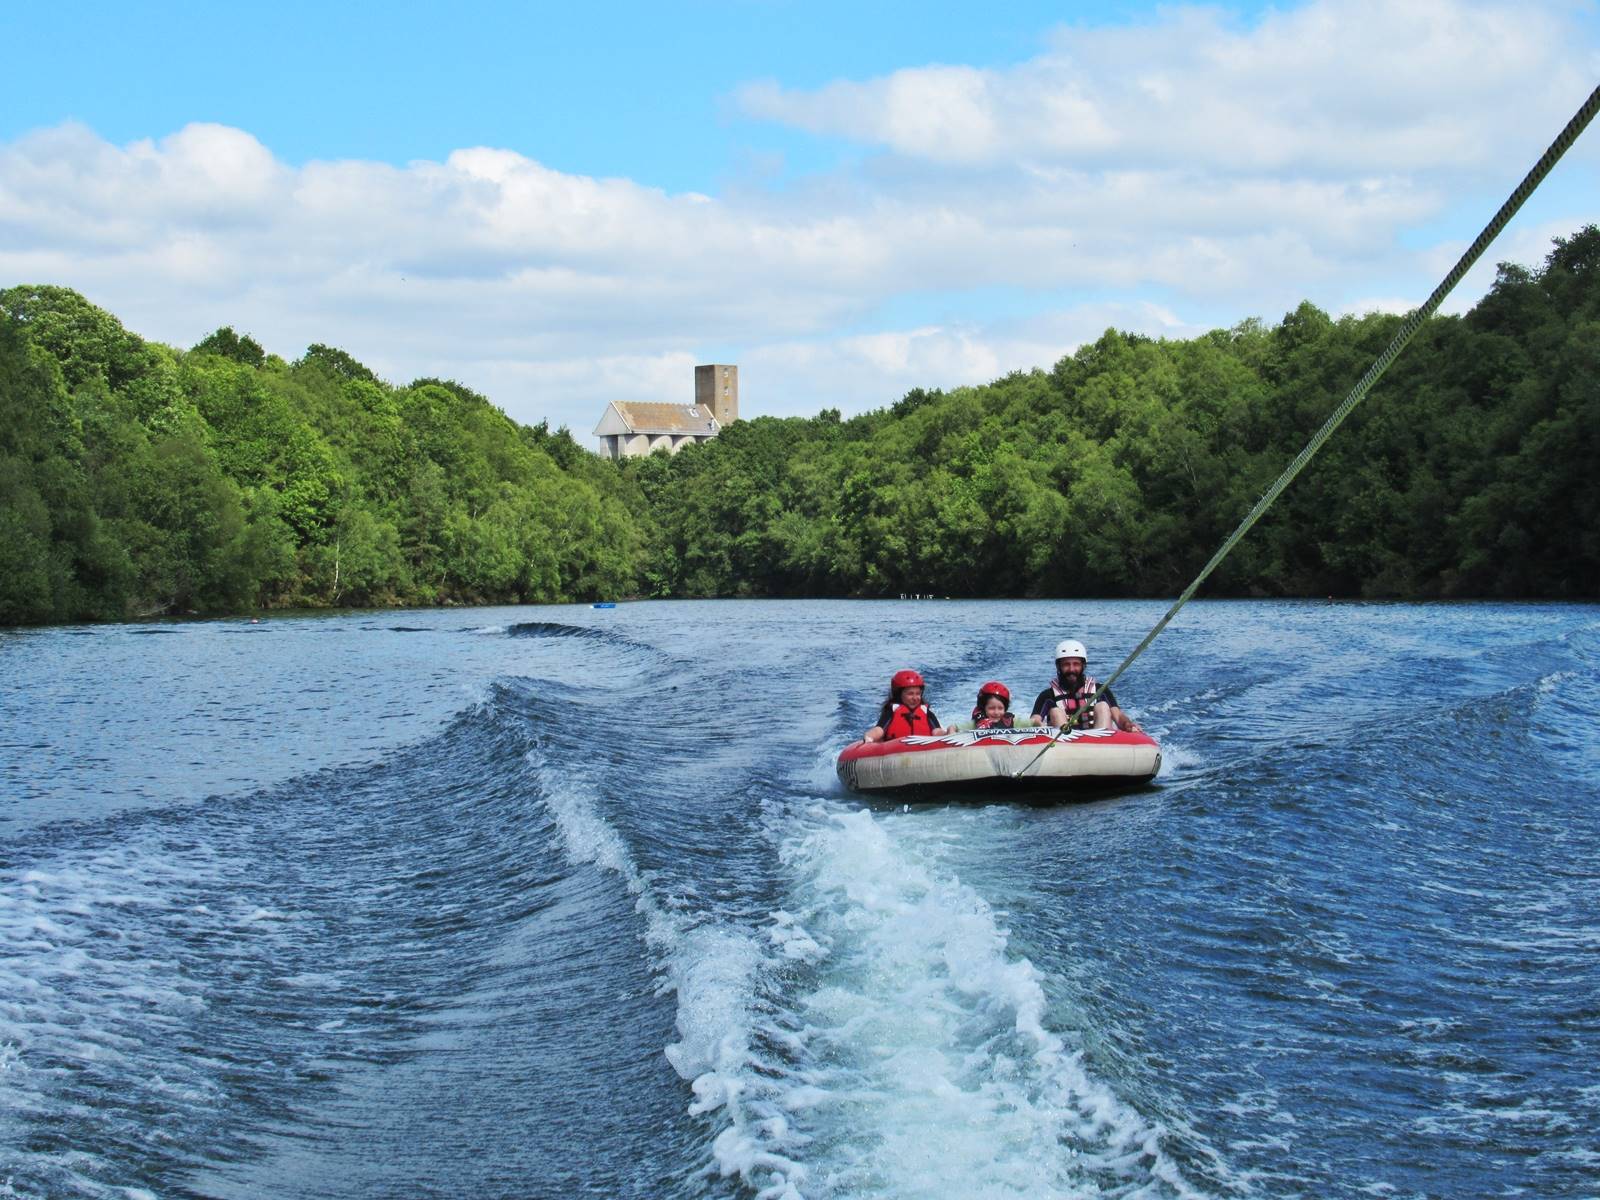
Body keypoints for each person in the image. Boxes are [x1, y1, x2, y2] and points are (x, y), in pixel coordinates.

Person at [1030, 639, 1141, 733]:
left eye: (1076, 664)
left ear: (1083, 666)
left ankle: (1103, 745)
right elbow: (1035, 719)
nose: (1071, 669)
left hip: (1099, 742)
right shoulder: (1047, 695)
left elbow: (1118, 716)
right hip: (1063, 744)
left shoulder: (1100, 690)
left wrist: (1127, 724)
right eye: (1066, 665)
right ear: (1058, 667)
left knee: (1102, 706)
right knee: (1056, 712)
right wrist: (1038, 725)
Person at [863, 669, 946, 742]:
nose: (915, 698)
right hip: (895, 749)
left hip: (924, 748)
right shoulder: (891, 712)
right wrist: (870, 736)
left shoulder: (926, 713)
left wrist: (948, 733)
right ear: (899, 695)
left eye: (918, 694)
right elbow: (879, 730)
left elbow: (937, 731)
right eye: (910, 694)